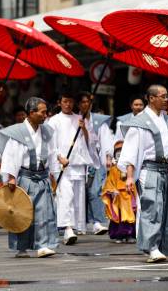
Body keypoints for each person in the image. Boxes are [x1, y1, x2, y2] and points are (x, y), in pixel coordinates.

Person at [118, 84, 168, 263]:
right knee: (152, 208)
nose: (166, 99)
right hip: (149, 170)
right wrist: (130, 176)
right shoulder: (139, 122)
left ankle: (162, 245)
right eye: (162, 96)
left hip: (165, 170)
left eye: (167, 96)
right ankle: (151, 247)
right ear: (151, 98)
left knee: (165, 209)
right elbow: (131, 151)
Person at [0, 97, 59, 258]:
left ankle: (43, 245)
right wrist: (11, 177)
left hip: (43, 175)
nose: (45, 115)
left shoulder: (47, 131)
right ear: (31, 113)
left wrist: (54, 173)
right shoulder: (18, 132)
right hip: (25, 177)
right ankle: (22, 247)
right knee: (23, 214)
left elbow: (52, 154)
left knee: (44, 213)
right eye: (42, 112)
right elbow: (11, 156)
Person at [48, 91, 98, 245]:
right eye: (65, 101)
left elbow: (91, 141)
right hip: (62, 164)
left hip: (78, 163)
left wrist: (83, 129)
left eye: (70, 101)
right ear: (59, 103)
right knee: (66, 195)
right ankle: (67, 228)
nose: (68, 104)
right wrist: (58, 156)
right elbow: (50, 143)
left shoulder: (80, 119)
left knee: (77, 196)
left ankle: (75, 226)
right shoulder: (53, 121)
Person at [77, 92, 112, 235]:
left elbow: (106, 140)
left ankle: (98, 222)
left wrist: (108, 157)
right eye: (82, 102)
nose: (85, 105)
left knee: (95, 191)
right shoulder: (73, 119)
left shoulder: (99, 121)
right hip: (78, 160)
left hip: (95, 160)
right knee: (80, 193)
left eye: (88, 102)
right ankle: (79, 223)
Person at [102, 140, 137, 244]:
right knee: (118, 216)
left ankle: (130, 234)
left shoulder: (130, 169)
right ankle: (119, 235)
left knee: (130, 216)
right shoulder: (113, 169)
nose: (120, 156)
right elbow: (109, 182)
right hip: (118, 197)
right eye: (117, 154)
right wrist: (112, 191)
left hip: (128, 195)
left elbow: (134, 181)